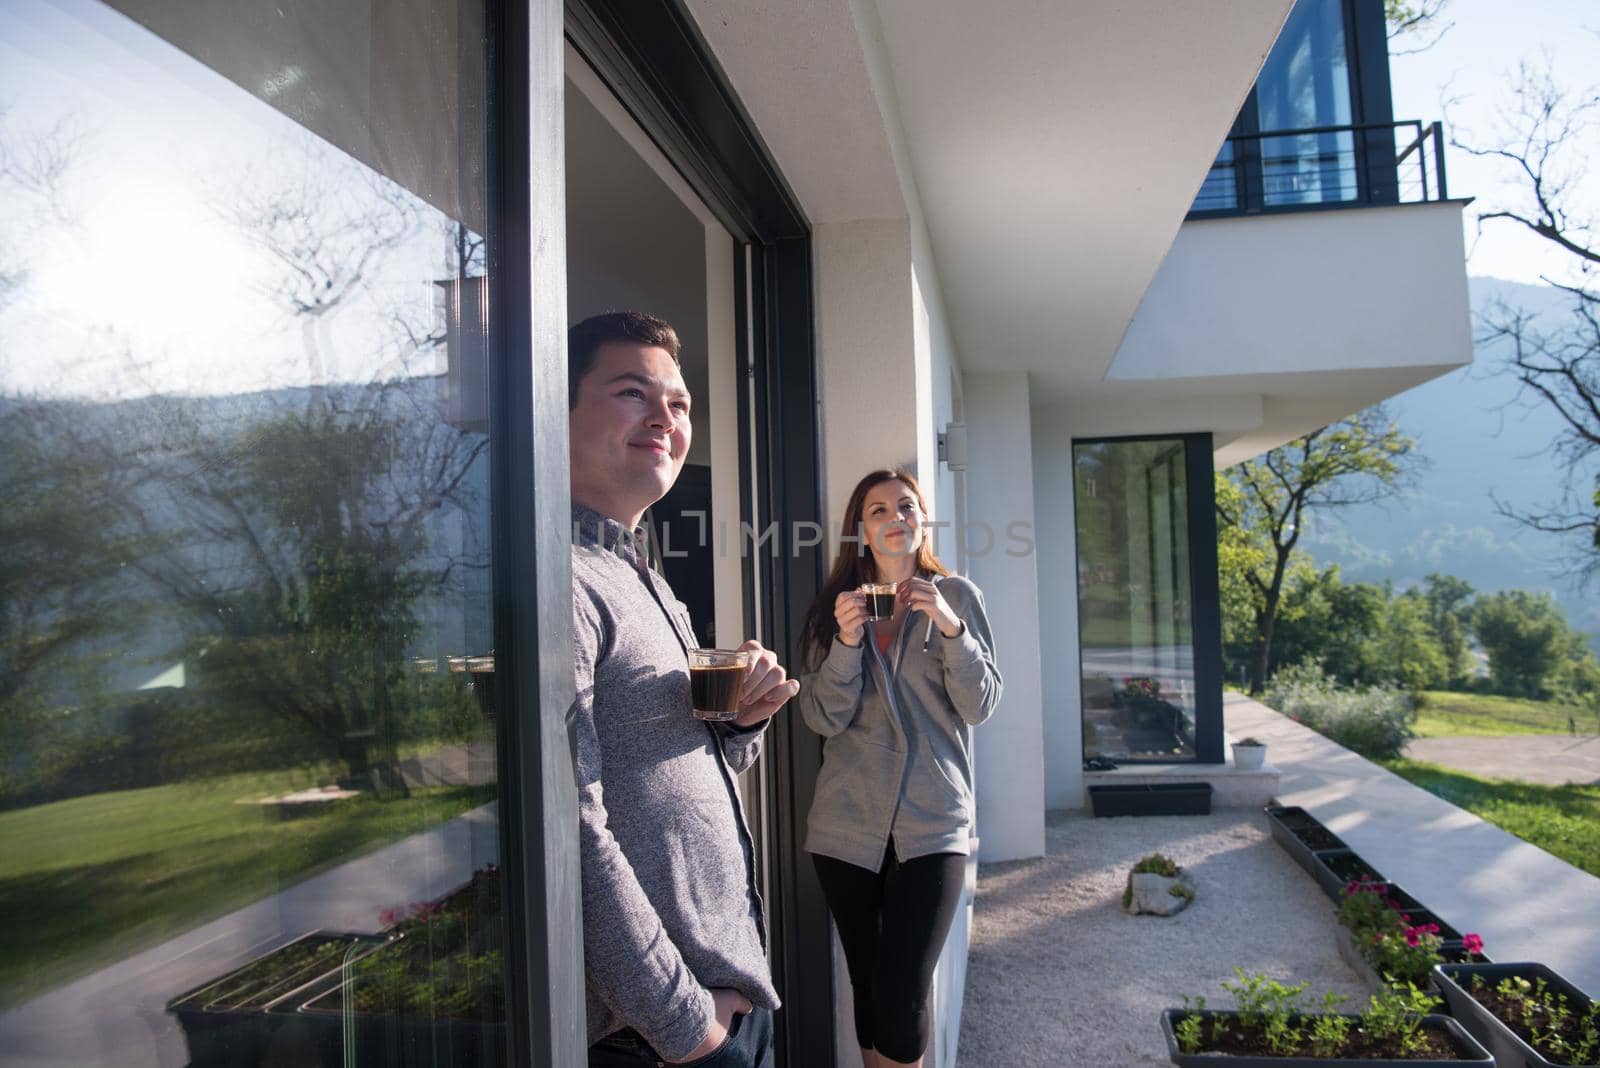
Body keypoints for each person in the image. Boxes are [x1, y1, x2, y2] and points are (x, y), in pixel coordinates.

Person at [569, 311, 799, 1067]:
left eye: (679, 402)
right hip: (659, 1040)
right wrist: (690, 1032)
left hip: (721, 1006)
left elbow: (669, 775)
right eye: (633, 392)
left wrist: (735, 730)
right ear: (555, 406)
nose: (665, 417)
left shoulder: (644, 576)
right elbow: (569, 832)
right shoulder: (563, 581)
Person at [797, 468, 1003, 1068]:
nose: (896, 517)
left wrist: (950, 628)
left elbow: (981, 705)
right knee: (868, 984)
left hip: (931, 821)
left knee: (905, 987)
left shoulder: (957, 596)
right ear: (861, 530)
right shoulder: (832, 610)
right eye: (879, 510)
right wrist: (845, 644)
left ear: (922, 520)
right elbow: (821, 717)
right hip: (846, 825)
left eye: (906, 506)